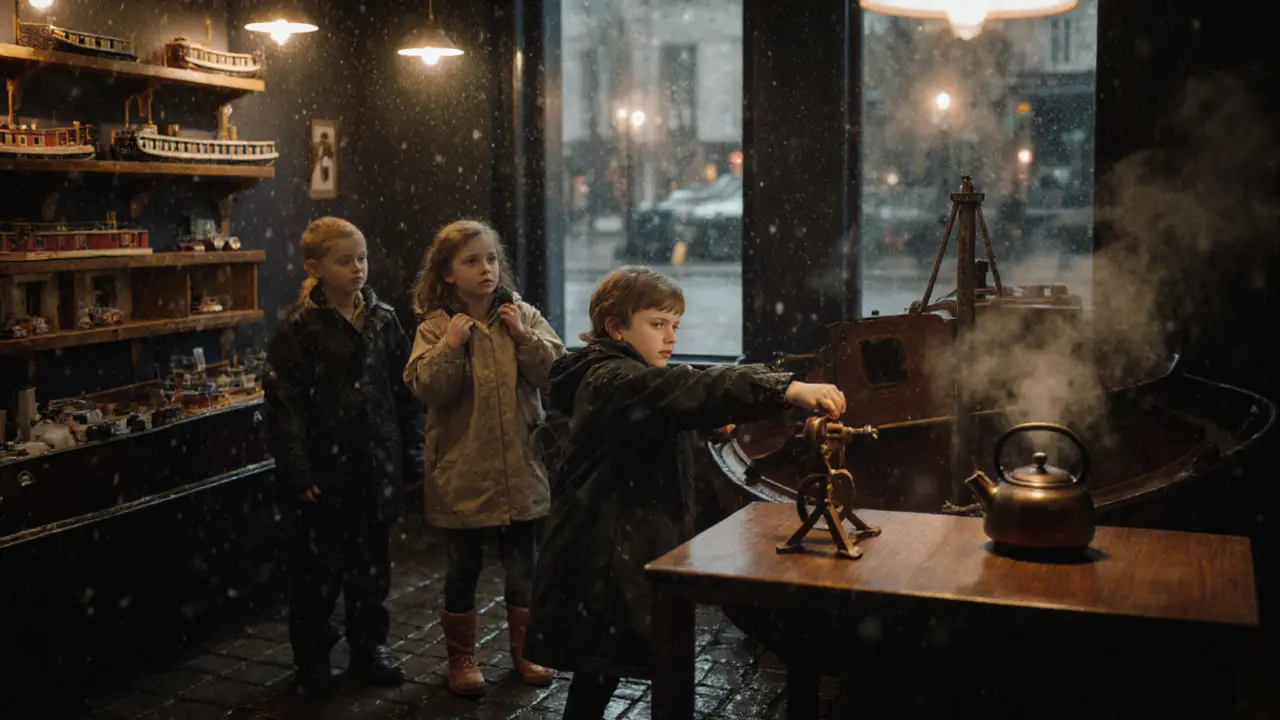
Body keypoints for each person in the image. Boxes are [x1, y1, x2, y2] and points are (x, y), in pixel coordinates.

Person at [523, 266, 847, 719]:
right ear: (616, 327)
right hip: (604, 558)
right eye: (658, 324)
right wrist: (787, 388)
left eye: (675, 325)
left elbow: (669, 399)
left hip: (611, 549)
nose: (670, 336)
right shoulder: (611, 380)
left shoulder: (619, 378)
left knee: (599, 673)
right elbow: (678, 388)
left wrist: (703, 421)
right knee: (615, 668)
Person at [262, 216, 425, 700]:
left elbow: (405, 391)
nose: (358, 269)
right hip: (325, 472)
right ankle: (312, 659)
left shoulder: (383, 318)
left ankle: (369, 646)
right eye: (344, 260)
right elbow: (283, 405)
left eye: (362, 258)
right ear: (314, 267)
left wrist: (410, 452)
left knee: (371, 568)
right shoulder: (299, 328)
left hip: (374, 468)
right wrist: (298, 469)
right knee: (316, 574)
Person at [403, 220, 566, 695]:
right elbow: (425, 387)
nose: (485, 269)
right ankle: (462, 658)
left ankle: (527, 650)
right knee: (463, 568)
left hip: (520, 467)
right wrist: (452, 346)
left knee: (524, 568)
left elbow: (556, 373)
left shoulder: (523, 315)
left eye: (491, 259)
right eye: (471, 261)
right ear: (448, 273)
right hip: (463, 471)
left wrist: (524, 337)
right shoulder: (435, 326)